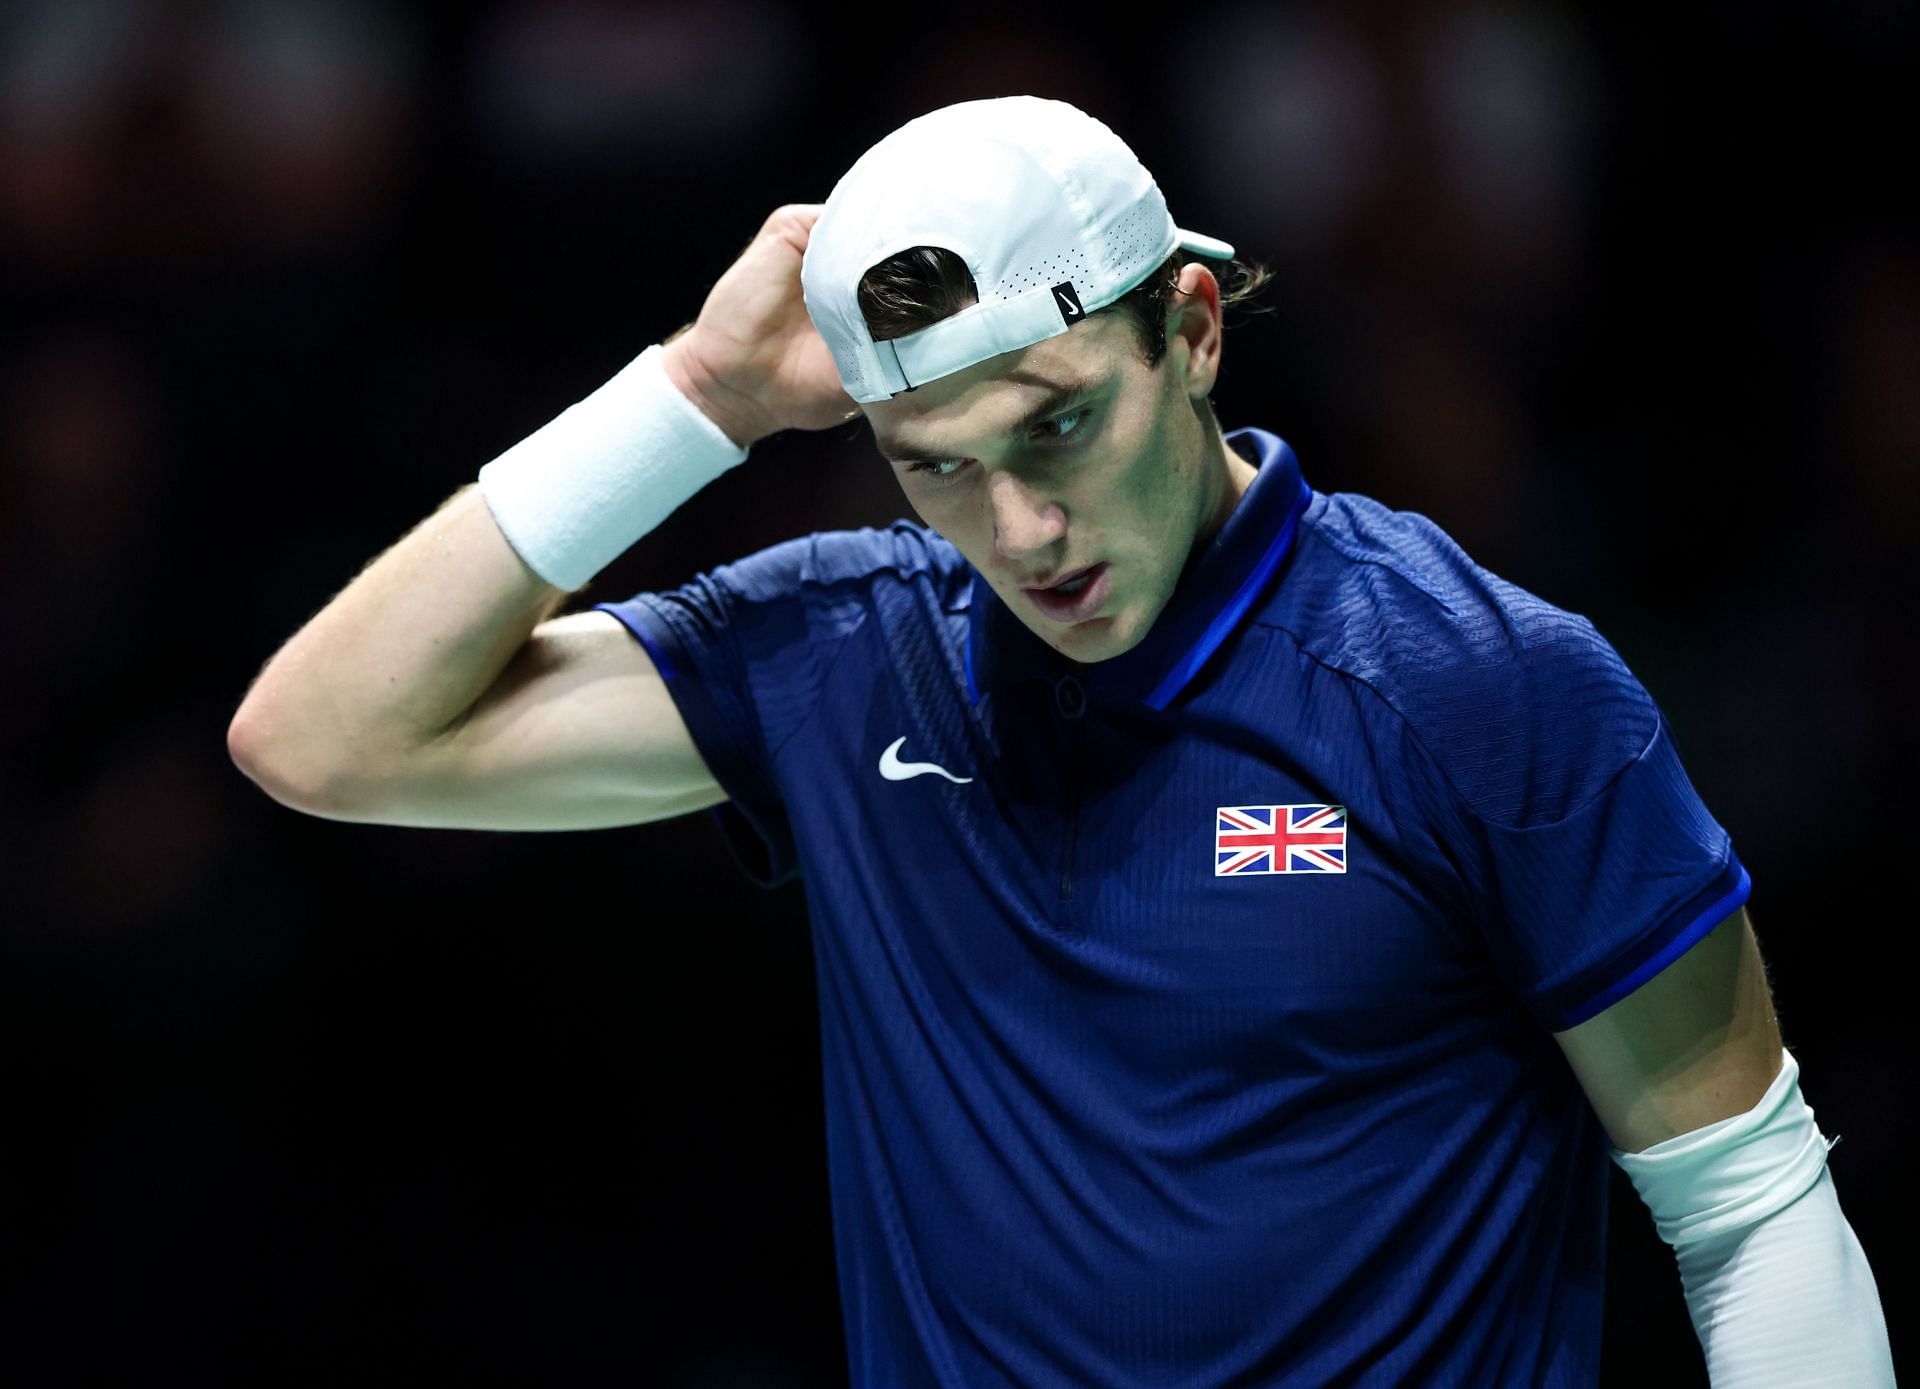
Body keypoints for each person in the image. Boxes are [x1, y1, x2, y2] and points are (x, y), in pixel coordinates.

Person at [229, 96, 1893, 1386]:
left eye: (1060, 423)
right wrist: (697, 397)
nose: (1020, 528)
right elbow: (321, 736)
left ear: (1193, 325)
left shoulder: (1485, 686)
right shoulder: (843, 658)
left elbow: (1749, 1215)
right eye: (932, 462)